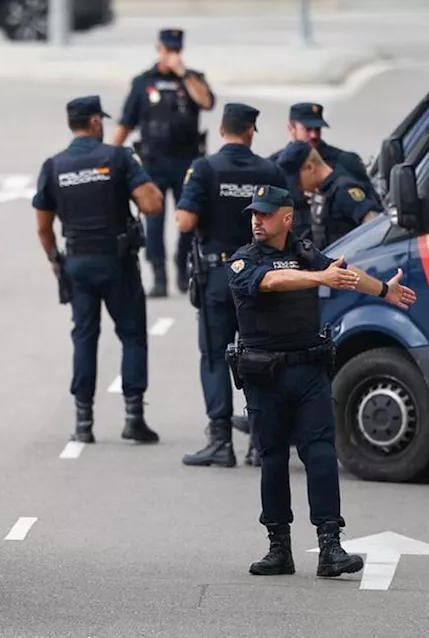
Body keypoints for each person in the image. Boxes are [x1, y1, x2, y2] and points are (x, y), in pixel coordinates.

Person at [227, 185, 416, 578]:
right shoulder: (245, 260)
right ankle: (279, 547)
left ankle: (331, 546)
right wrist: (319, 277)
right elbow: (272, 283)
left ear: (287, 217)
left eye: (264, 213)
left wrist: (384, 290)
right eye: (254, 214)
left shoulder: (306, 253)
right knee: (274, 460)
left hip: (308, 371)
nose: (256, 220)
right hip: (265, 376)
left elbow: (343, 274)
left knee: (320, 455)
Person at [32, 95, 164, 444]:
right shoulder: (118, 158)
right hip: (116, 261)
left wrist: (54, 260)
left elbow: (43, 227)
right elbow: (152, 206)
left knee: (84, 337)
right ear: (94, 122)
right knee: (132, 334)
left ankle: (83, 422)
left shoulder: (53, 165)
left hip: (76, 262)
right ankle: (134, 417)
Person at [176, 103, 286, 469]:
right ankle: (260, 440)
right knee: (260, 355)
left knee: (214, 355)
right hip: (261, 275)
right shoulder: (270, 170)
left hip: (219, 277)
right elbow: (286, 222)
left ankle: (220, 440)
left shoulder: (205, 168)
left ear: (222, 129)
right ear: (251, 130)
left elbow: (185, 221)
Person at [111, 28, 216, 298]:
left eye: (176, 50)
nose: (171, 55)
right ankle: (158, 275)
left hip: (187, 161)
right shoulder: (143, 82)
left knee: (188, 219)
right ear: (158, 49)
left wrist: (183, 74)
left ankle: (182, 265)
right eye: (167, 50)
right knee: (154, 221)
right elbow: (126, 122)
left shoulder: (193, 80)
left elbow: (206, 102)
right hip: (153, 162)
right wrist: (109, 155)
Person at [268, 103, 375, 240]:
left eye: (317, 129)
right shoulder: (274, 166)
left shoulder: (346, 162)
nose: (313, 135)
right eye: (307, 129)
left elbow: (371, 214)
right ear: (291, 128)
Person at [276, 140, 385, 250]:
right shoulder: (322, 192)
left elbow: (375, 224)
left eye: (297, 181)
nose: (297, 187)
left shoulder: (343, 189)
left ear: (310, 168)